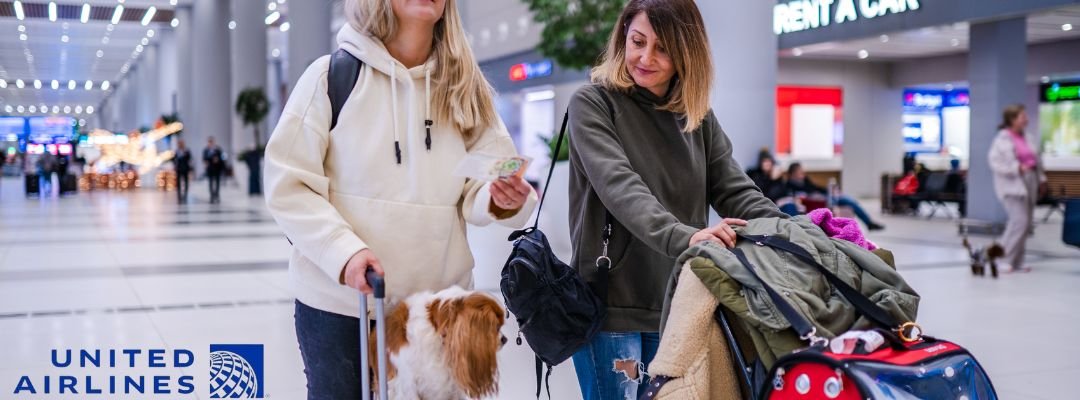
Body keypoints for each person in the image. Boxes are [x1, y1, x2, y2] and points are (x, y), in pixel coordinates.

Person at [262, 0, 536, 398]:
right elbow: (289, 185)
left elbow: (480, 188)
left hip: (439, 313)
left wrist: (503, 198)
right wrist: (345, 253)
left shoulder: (464, 87)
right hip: (343, 306)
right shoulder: (330, 77)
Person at [566, 1, 788, 398]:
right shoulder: (594, 103)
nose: (644, 57)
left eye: (662, 48)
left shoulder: (696, 115)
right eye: (637, 41)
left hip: (680, 303)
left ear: (687, 53)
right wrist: (684, 236)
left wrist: (792, 233)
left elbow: (734, 188)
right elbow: (620, 186)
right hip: (613, 305)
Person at [989, 104, 1045, 273]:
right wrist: (1016, 168)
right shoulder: (1002, 139)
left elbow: (1038, 161)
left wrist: (1042, 180)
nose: (1026, 119)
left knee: (1026, 224)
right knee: (1019, 222)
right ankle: (1000, 257)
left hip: (1030, 181)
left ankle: (1017, 261)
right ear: (1012, 119)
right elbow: (995, 164)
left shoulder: (1028, 137)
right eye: (1022, 116)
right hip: (1012, 184)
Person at [786, 162, 886, 231]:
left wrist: (830, 191)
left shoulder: (805, 180)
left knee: (849, 201)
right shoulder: (789, 185)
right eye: (800, 171)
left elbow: (816, 188)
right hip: (815, 203)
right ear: (793, 173)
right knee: (846, 202)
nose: (802, 174)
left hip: (823, 198)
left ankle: (868, 222)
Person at [202, 136, 224, 203]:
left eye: (212, 142)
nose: (210, 143)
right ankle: (211, 195)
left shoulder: (218, 149)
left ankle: (217, 194)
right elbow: (204, 159)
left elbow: (222, 158)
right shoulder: (206, 150)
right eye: (209, 142)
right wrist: (206, 163)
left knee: (217, 182)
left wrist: (218, 160)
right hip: (210, 168)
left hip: (217, 168)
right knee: (210, 182)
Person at [174, 139, 193, 203]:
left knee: (186, 182)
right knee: (178, 183)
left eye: (182, 143)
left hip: (185, 168)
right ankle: (179, 196)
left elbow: (189, 158)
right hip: (179, 169)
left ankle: (185, 195)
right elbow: (174, 160)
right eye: (179, 143)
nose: (181, 145)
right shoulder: (177, 151)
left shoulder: (187, 151)